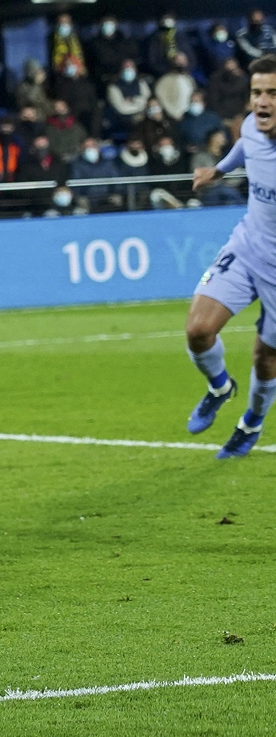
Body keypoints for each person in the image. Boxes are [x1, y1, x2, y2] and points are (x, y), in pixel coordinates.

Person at [186, 54, 276, 457]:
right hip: (246, 246)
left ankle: (251, 423)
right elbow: (244, 147)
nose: (262, 102)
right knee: (198, 330)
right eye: (257, 92)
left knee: (265, 359)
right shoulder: (249, 129)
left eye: (273, 93)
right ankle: (220, 387)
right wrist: (217, 172)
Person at [87, 15, 139, 88]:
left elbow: (132, 58)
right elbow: (92, 63)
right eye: (105, 23)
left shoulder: (125, 41)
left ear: (115, 25)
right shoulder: (95, 43)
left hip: (123, 77)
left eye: (111, 23)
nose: (108, 26)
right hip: (103, 79)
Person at [145, 13, 198, 78]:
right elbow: (153, 62)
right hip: (163, 76)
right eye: (164, 20)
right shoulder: (155, 39)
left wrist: (184, 66)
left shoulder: (181, 38)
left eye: (170, 20)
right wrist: (171, 67)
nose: (167, 23)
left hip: (183, 75)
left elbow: (192, 60)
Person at [106, 59, 150, 132]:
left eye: (131, 67)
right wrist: (139, 103)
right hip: (123, 121)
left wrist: (133, 100)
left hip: (143, 117)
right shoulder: (113, 87)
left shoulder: (141, 83)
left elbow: (147, 101)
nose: (128, 69)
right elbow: (121, 108)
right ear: (121, 69)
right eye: (126, 67)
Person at [155, 53, 196, 120]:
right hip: (170, 116)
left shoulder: (188, 79)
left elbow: (194, 96)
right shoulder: (164, 81)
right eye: (178, 61)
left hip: (188, 116)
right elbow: (162, 99)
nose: (181, 63)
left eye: (182, 61)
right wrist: (174, 113)